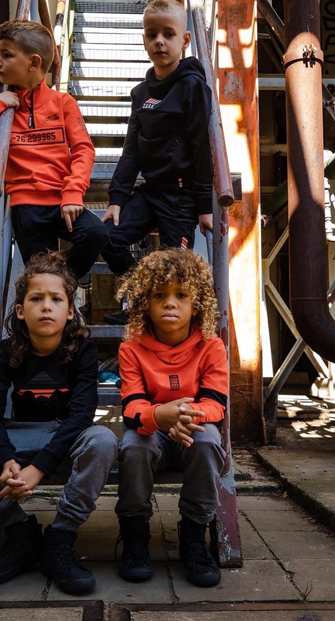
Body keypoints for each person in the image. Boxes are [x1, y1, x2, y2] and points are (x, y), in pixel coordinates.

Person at [0, 252, 118, 593]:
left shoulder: (83, 350)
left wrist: (37, 469)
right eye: (36, 299)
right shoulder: (9, 351)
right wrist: (5, 459)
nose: (46, 307)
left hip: (67, 438)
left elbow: (81, 416)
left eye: (56, 299)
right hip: (20, 437)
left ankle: (60, 539)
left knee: (104, 441)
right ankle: (21, 535)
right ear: (21, 310)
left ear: (70, 310)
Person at [114, 248, 227, 587]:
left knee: (208, 441)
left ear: (198, 303)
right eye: (159, 295)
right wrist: (161, 416)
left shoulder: (211, 345)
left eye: (181, 294)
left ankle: (194, 535)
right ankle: (135, 536)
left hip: (193, 427)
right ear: (144, 303)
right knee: (134, 446)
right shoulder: (131, 347)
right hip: (152, 429)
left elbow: (216, 404)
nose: (170, 303)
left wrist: (185, 415)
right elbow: (132, 408)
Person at [100, 0, 214, 323]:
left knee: (173, 267)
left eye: (168, 34)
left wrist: (204, 206)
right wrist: (116, 199)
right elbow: (131, 150)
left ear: (185, 40)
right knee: (106, 237)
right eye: (152, 35)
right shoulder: (141, 94)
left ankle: (153, 313)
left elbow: (201, 146)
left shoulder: (193, 87)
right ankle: (140, 299)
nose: (159, 41)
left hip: (181, 197)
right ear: (144, 40)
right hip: (150, 191)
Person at [0, 20, 108, 281]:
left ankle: (64, 286)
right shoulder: (1, 108)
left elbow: (84, 150)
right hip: (27, 207)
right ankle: (54, 292)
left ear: (34, 63)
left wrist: (72, 193)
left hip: (61, 199)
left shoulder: (63, 103)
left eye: (6, 55)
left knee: (96, 233)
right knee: (40, 277)